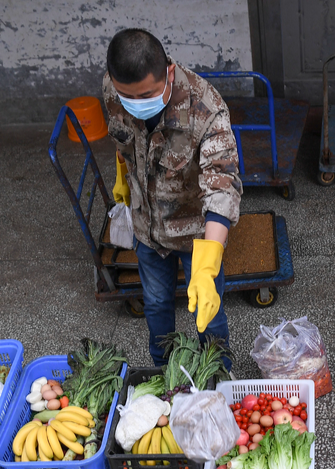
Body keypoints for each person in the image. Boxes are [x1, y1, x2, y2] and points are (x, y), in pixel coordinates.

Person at [103, 28, 241, 367]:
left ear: (169, 71)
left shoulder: (206, 110)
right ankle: (163, 370)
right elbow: (123, 141)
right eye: (127, 97)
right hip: (147, 228)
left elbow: (222, 186)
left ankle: (218, 370)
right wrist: (122, 176)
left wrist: (207, 268)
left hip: (196, 235)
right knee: (156, 303)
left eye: (147, 94)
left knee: (208, 310)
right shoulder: (111, 88)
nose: (137, 105)